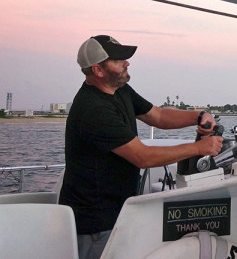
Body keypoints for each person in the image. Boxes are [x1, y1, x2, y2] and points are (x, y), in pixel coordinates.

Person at [59, 35, 223, 259]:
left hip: (120, 210)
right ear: (98, 70)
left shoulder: (120, 88)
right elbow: (143, 157)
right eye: (119, 61)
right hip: (96, 223)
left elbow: (159, 116)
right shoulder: (93, 109)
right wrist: (200, 148)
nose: (127, 63)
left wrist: (198, 116)